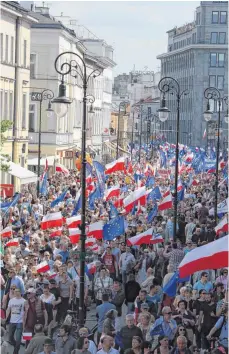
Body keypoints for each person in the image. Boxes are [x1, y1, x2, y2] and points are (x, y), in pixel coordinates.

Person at [5, 287, 25, 354]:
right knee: (10, 338)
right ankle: (16, 345)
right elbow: (8, 310)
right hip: (12, 321)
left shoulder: (24, 301)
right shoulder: (11, 300)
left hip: (20, 322)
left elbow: (26, 312)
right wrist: (5, 318)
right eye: (14, 291)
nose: (15, 292)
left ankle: (15, 351)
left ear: (20, 292)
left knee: (18, 338)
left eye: (17, 291)